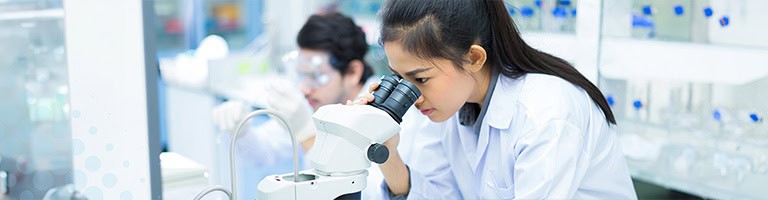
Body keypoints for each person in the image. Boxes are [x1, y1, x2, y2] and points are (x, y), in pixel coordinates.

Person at [353, 0, 637, 199]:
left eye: (421, 78)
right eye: (399, 78)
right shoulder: (448, 106)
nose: (412, 96)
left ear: (474, 57)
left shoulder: (546, 112)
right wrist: (386, 153)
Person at [212, 12, 408, 199]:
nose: (305, 88)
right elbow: (262, 154)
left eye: (315, 76)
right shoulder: (318, 105)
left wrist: (307, 136)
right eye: (302, 75)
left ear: (353, 72)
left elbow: (374, 193)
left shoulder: (385, 115)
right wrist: (242, 131)